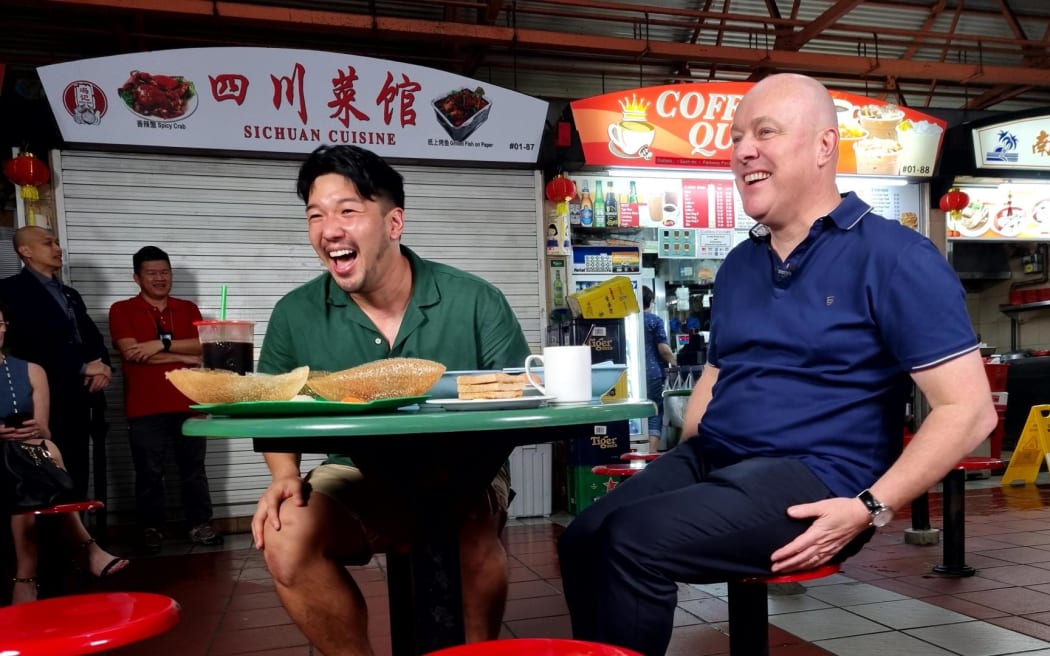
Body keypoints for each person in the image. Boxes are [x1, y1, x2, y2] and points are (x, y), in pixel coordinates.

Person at [557, 73, 998, 656]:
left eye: (765, 132)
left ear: (823, 147)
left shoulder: (895, 256)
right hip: (717, 460)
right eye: (737, 137)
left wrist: (869, 509)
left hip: (819, 479)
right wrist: (693, 444)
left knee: (631, 540)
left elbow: (968, 412)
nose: (742, 151)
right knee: (583, 537)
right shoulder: (741, 263)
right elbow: (722, 366)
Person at [251, 144, 531, 655]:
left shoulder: (474, 299)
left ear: (394, 222)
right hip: (354, 472)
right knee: (286, 534)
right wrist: (284, 476)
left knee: (463, 526)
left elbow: (517, 393)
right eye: (315, 215)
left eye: (347, 210)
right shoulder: (295, 313)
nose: (328, 229)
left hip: (464, 469)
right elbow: (272, 404)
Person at [0, 303, 127, 604]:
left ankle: (25, 579)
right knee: (33, 461)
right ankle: (86, 549)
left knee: (42, 450)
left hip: (28, 452)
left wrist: (30, 431)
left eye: (1, 322)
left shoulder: (31, 371)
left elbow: (44, 430)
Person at [108, 246, 221, 553]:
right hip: (144, 407)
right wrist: (180, 357)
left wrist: (158, 344)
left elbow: (204, 348)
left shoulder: (187, 308)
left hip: (189, 402)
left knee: (194, 469)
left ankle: (200, 525)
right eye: (152, 273)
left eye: (165, 272)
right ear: (137, 277)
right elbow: (132, 354)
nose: (160, 278)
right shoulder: (121, 309)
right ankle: (151, 529)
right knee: (148, 471)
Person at [0, 226, 111, 500]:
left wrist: (104, 367)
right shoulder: (10, 290)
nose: (58, 249)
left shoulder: (70, 293)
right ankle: (50, 538)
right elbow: (29, 343)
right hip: (39, 395)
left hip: (79, 395)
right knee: (44, 469)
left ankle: (80, 535)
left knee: (77, 466)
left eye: (57, 242)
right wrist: (82, 367)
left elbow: (91, 336)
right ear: (25, 251)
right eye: (49, 243)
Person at [642, 286, 675, 453]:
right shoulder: (654, 320)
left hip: (633, 376)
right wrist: (674, 362)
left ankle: (637, 447)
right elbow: (663, 349)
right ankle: (651, 453)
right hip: (654, 374)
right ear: (650, 302)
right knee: (654, 411)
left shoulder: (626, 319)